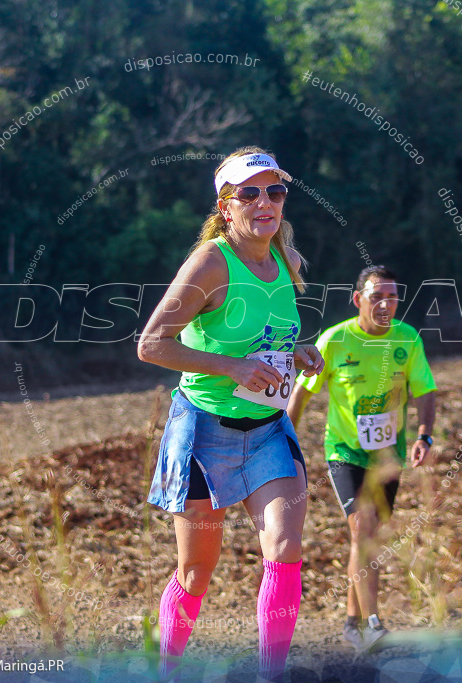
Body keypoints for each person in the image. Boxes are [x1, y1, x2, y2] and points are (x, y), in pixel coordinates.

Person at [138, 147, 324, 681]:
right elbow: (152, 345)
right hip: (203, 432)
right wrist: (232, 368)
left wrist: (298, 352)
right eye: (250, 193)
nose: (265, 202)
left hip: (268, 431)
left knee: (286, 549)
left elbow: (266, 340)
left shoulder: (283, 259)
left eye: (275, 191)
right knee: (197, 573)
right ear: (225, 205)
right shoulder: (212, 262)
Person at [287, 265, 437, 652]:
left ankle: (351, 622)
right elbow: (302, 392)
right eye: (376, 296)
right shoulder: (335, 341)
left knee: (368, 537)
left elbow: (425, 390)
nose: (385, 303)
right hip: (345, 451)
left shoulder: (407, 339)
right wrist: (284, 440)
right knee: (361, 526)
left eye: (392, 296)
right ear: (358, 300)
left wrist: (424, 435)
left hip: (389, 454)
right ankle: (373, 624)